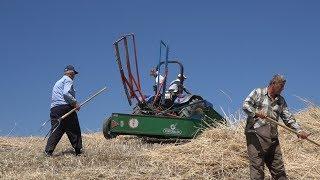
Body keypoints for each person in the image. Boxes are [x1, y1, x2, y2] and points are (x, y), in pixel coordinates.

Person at [243, 74, 309, 179]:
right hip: (256, 135)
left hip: (273, 138)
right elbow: (246, 105)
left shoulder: (281, 101)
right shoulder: (258, 92)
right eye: (281, 86)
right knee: (257, 169)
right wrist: (257, 113)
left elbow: (289, 119)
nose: (282, 89)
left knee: (279, 170)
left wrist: (299, 131)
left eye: (283, 86)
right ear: (273, 83)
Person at [44, 65, 82, 156]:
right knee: (74, 129)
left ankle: (48, 151)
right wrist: (75, 103)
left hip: (54, 109)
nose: (74, 76)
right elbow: (66, 93)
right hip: (65, 107)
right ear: (70, 72)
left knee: (57, 129)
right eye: (73, 73)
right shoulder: (68, 80)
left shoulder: (58, 82)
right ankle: (78, 151)